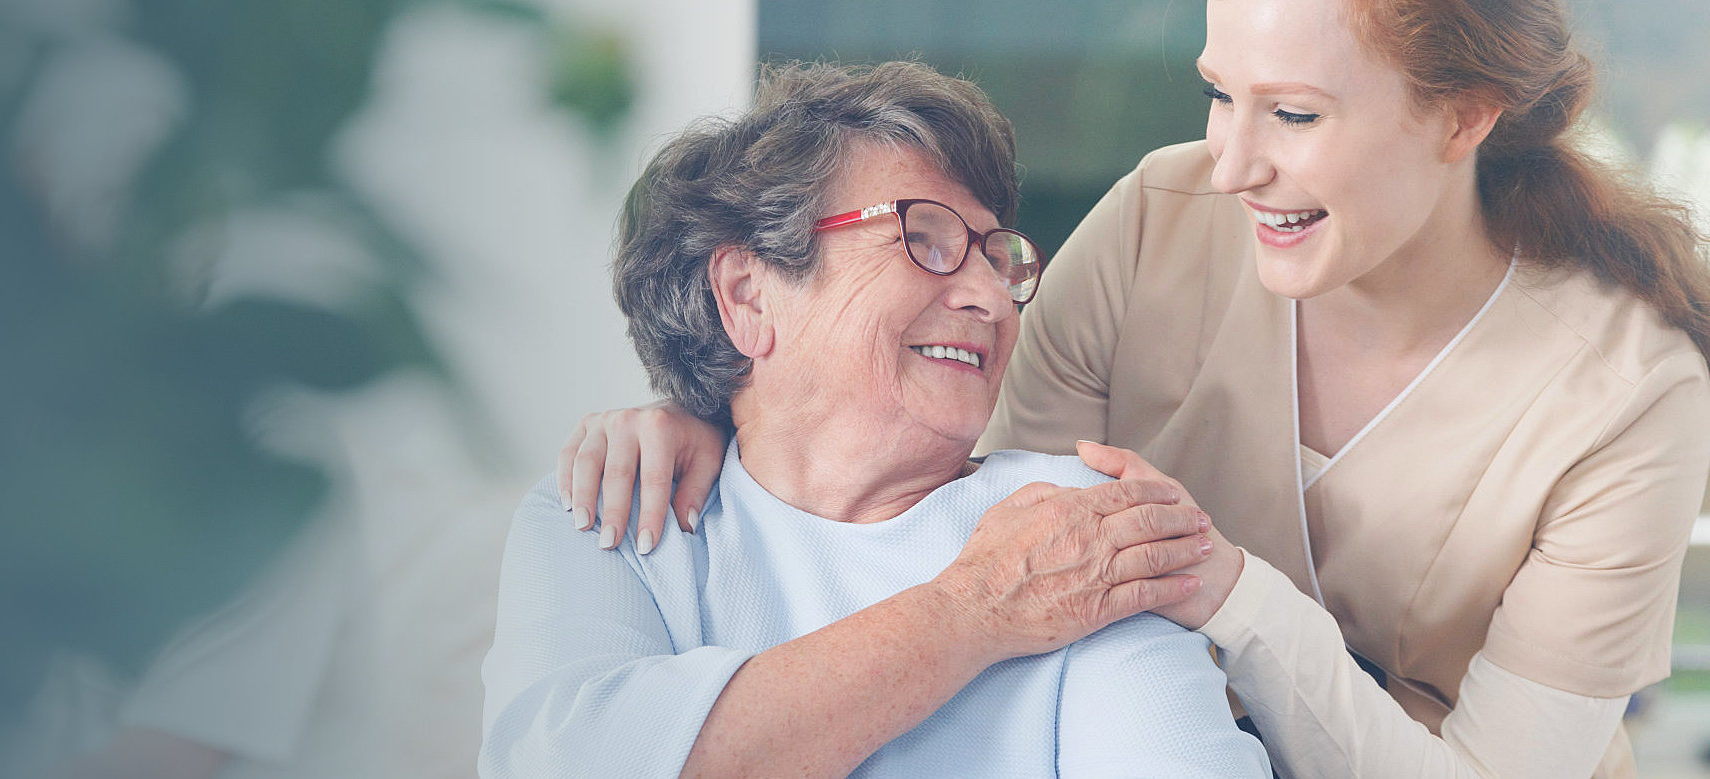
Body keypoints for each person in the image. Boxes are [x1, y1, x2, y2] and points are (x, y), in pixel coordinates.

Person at [553, 0, 1710, 776]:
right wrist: (718, 401)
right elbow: (961, 513)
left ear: (1463, 117)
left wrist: (1229, 593)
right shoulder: (1165, 218)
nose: (1233, 161)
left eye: (1294, 114)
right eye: (1221, 92)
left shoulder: (1629, 395)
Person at [481, 61, 1272, 777]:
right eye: (925, 239)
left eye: (998, 258)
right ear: (749, 296)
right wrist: (976, 606)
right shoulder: (612, 507)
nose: (992, 298)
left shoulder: (1075, 529)